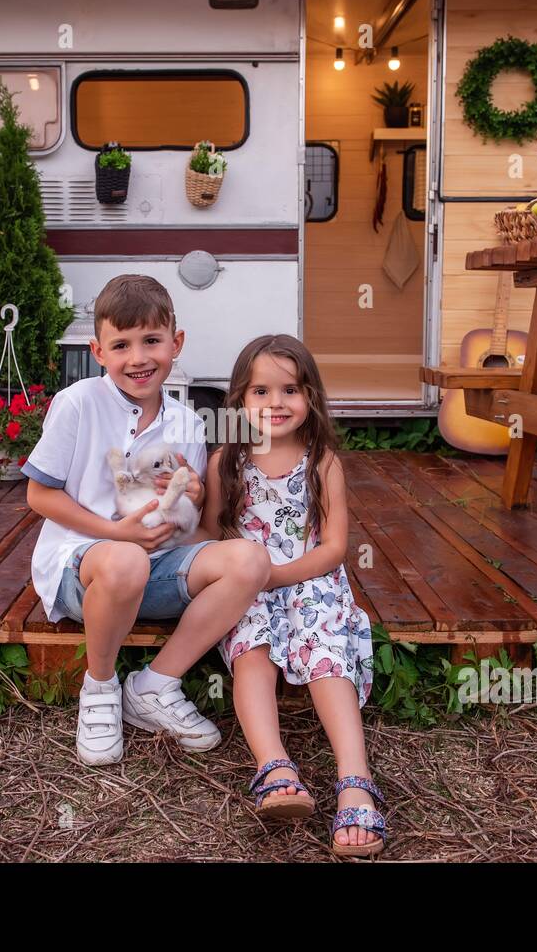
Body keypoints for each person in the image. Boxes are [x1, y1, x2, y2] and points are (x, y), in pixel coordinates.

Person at [22, 274, 270, 767]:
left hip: (157, 568)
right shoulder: (78, 404)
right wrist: (117, 533)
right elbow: (38, 494)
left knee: (249, 560)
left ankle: (154, 685)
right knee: (126, 561)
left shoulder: (187, 423)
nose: (138, 358)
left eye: (152, 341)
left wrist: (196, 496)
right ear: (98, 351)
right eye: (121, 345)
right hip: (86, 570)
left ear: (176, 343)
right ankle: (99, 686)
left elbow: (192, 529)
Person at [201, 334, 385, 857]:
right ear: (239, 399)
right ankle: (274, 766)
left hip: (307, 578)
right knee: (251, 647)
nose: (276, 403)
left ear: (312, 397)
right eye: (261, 391)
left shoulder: (321, 461)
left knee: (325, 651)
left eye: (291, 389)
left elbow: (333, 548)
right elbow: (211, 537)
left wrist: (280, 576)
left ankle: (354, 779)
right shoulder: (225, 463)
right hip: (247, 585)